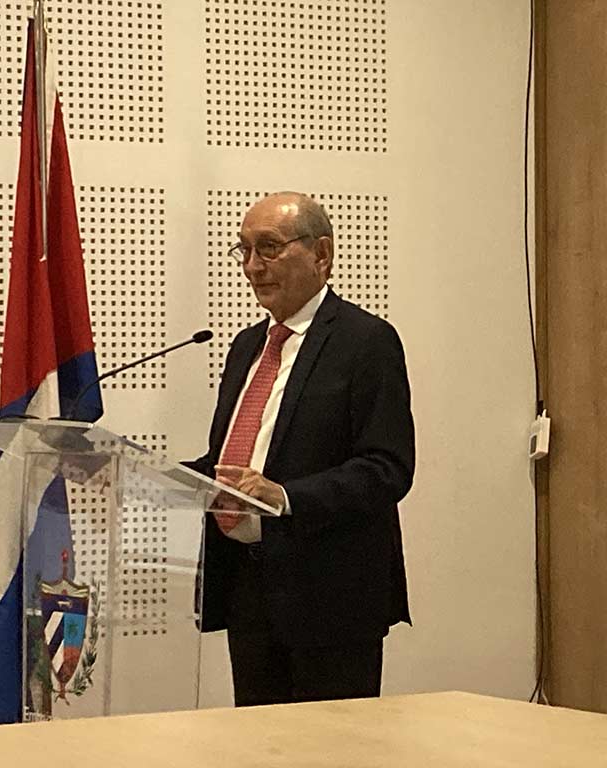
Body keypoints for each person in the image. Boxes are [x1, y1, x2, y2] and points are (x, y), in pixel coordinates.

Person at [187, 191, 415, 706]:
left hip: (331, 599)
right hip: (249, 588)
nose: (252, 266)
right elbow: (230, 465)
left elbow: (387, 468)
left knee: (331, 745)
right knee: (259, 743)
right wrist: (154, 474)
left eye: (269, 247)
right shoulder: (246, 346)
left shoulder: (366, 341)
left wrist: (286, 497)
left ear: (321, 254)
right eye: (244, 250)